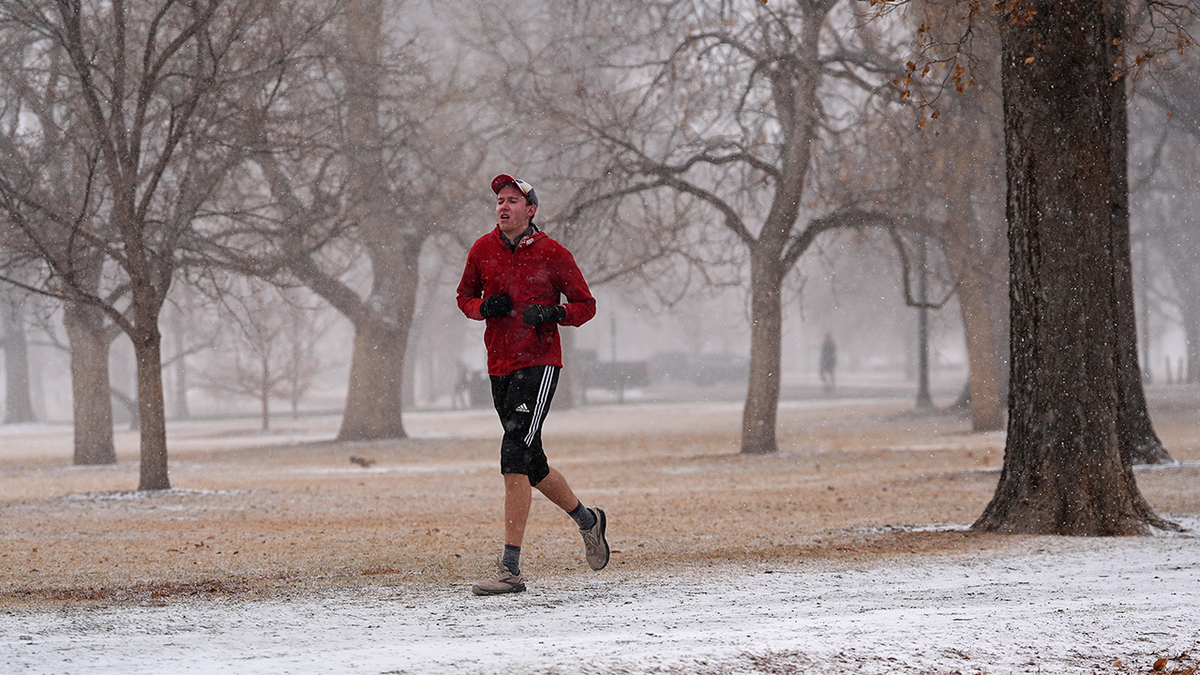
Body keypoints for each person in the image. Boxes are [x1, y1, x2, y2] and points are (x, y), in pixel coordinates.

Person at [456, 173, 608, 596]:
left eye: (512, 201)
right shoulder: (482, 249)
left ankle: (509, 569)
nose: (504, 207)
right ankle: (588, 520)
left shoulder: (553, 253)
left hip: (538, 364)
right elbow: (464, 297)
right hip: (499, 365)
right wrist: (483, 307)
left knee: (512, 453)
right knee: (532, 462)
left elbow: (585, 305)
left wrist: (555, 314)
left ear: (531, 210)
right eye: (500, 201)